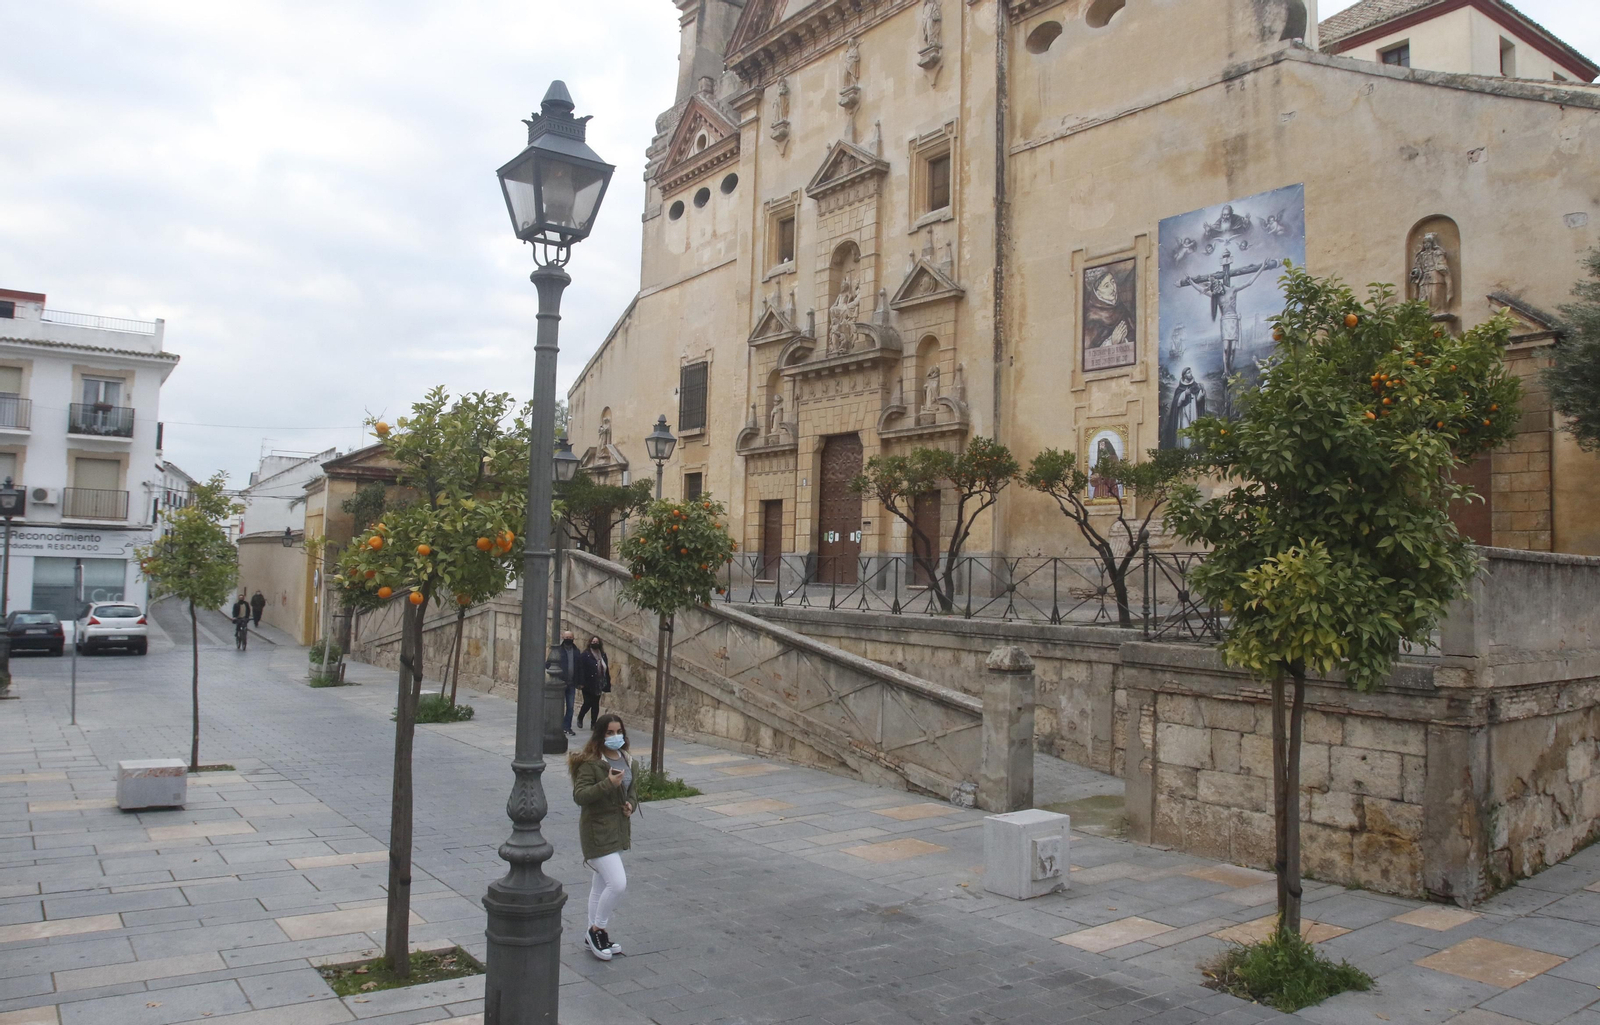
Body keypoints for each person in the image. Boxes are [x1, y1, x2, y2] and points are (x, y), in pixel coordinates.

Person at [569, 713, 637, 962]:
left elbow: (632, 791)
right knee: (617, 883)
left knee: (599, 885)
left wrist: (630, 804)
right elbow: (580, 796)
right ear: (600, 735)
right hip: (597, 832)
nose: (615, 737)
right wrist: (607, 784)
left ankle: (592, 936)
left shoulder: (627, 759)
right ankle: (597, 929)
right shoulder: (590, 764)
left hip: (618, 830)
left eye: (618, 732)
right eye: (609, 732)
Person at [576, 636, 610, 730]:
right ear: (590, 642)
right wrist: (581, 682)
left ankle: (593, 724)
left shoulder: (602, 655)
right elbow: (581, 669)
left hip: (598, 682)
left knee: (595, 704)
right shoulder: (585, 655)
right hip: (587, 683)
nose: (595, 643)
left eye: (597, 641)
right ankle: (580, 717)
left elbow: (606, 669)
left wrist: (607, 682)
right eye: (593, 641)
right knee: (587, 702)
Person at [553, 630, 581, 737]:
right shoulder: (558, 651)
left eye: (570, 637)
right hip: (560, 684)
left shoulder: (576, 651)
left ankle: (567, 726)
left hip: (571, 684)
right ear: (562, 638)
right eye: (566, 637)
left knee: (570, 707)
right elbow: (549, 664)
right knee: (558, 706)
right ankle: (557, 726)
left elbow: (579, 668)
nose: (568, 639)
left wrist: (580, 682)